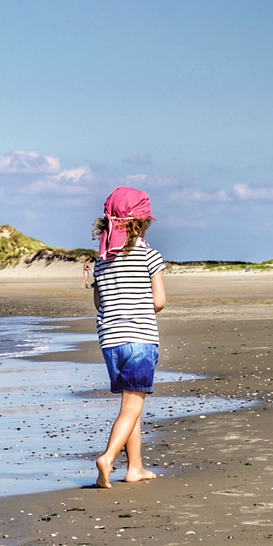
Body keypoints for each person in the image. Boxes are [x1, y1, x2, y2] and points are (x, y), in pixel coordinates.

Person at [89, 186, 166, 488]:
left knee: (128, 404)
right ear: (143, 221)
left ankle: (135, 468)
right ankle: (107, 457)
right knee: (133, 405)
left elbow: (98, 302)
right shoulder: (151, 255)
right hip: (140, 338)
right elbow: (158, 301)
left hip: (110, 340)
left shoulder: (100, 260)